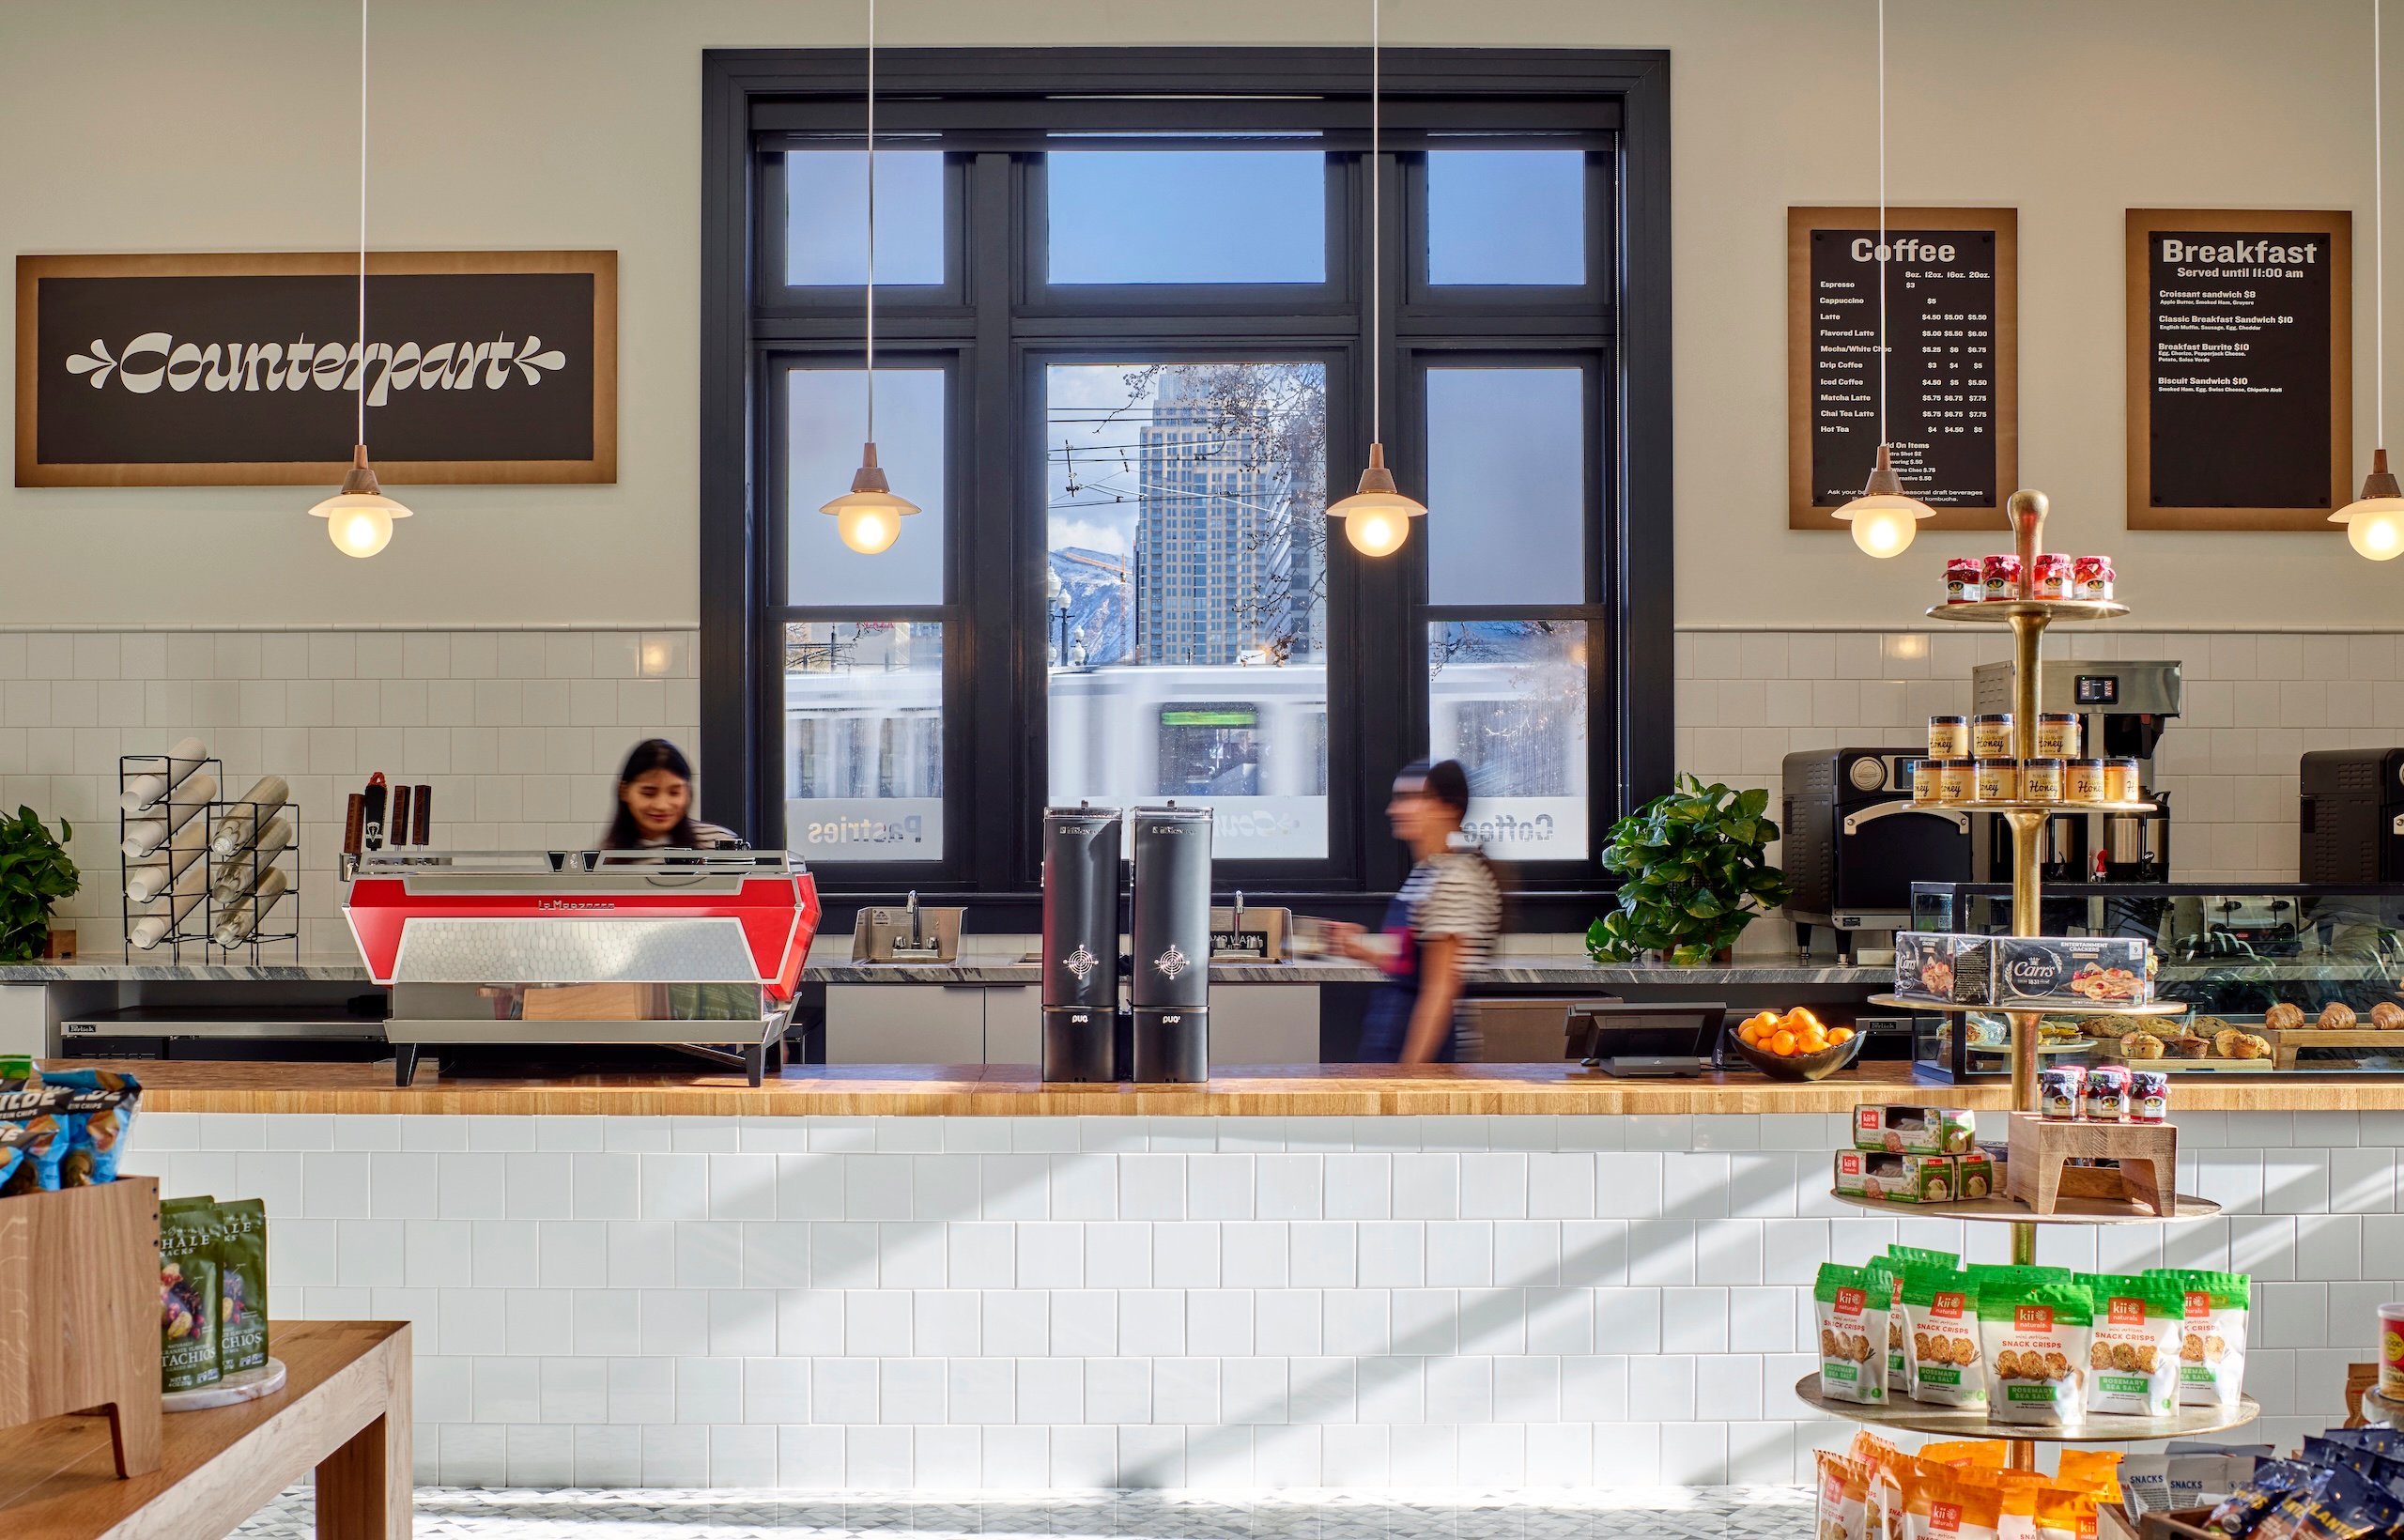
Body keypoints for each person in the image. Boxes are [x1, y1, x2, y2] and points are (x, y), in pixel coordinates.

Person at [1331, 759, 1503, 1064]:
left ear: (1446, 807)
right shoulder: (1427, 872)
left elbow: (1439, 988)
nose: (1394, 810)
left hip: (1424, 1049)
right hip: (1391, 1033)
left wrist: (1411, 1076)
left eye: (1411, 798)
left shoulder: (1456, 877)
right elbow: (1412, 965)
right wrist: (1359, 950)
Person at [601, 739, 741, 851]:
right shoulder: (606, 858)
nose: (662, 805)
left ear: (688, 792)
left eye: (674, 793)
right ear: (624, 791)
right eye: (649, 793)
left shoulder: (718, 844)